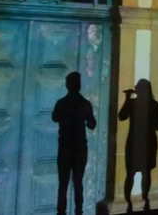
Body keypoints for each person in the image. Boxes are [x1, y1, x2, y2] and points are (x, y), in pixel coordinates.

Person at [52, 72, 96, 215]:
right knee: (78, 183)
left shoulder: (61, 103)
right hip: (80, 149)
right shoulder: (85, 104)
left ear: (67, 86)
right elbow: (92, 124)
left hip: (65, 148)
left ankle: (61, 212)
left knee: (63, 184)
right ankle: (79, 211)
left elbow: (55, 118)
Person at [119, 78, 158, 213]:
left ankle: (129, 203)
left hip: (134, 141)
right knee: (146, 173)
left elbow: (121, 116)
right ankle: (145, 198)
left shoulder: (132, 103)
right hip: (148, 142)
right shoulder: (154, 105)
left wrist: (127, 98)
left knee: (130, 174)